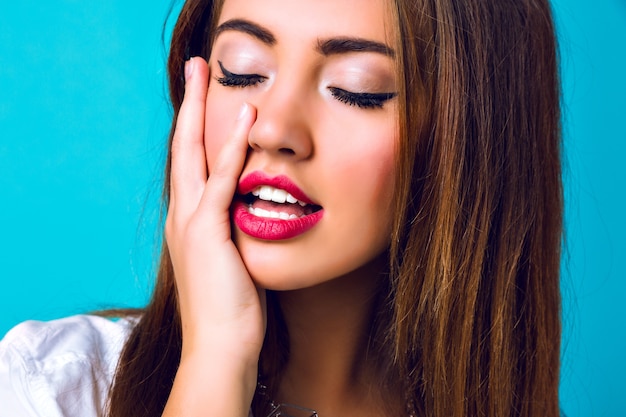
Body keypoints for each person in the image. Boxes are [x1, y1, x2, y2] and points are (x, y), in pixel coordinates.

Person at [0, 0, 563, 416]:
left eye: (357, 89)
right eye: (242, 71)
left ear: (470, 139)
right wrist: (217, 358)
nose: (272, 129)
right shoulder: (55, 388)